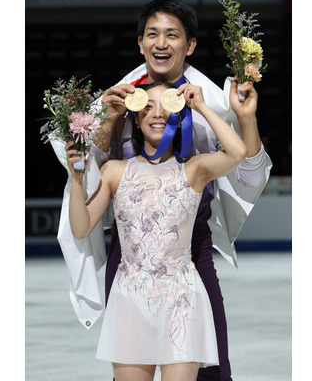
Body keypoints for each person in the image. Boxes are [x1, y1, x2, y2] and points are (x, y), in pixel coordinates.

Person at [50, 0, 272, 381]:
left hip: (191, 249)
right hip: (129, 253)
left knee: (213, 369)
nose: (161, 43)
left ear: (190, 45)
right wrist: (104, 119)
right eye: (152, 34)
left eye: (173, 34)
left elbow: (246, 170)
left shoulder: (213, 103)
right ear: (140, 43)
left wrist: (243, 119)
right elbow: (92, 172)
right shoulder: (118, 98)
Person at [66, 81, 248, 381]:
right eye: (147, 106)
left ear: (179, 115)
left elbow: (238, 151)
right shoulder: (114, 170)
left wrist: (200, 105)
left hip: (182, 299)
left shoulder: (194, 169)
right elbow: (81, 226)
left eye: (166, 105)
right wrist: (76, 178)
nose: (157, 113)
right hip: (130, 300)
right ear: (135, 118)